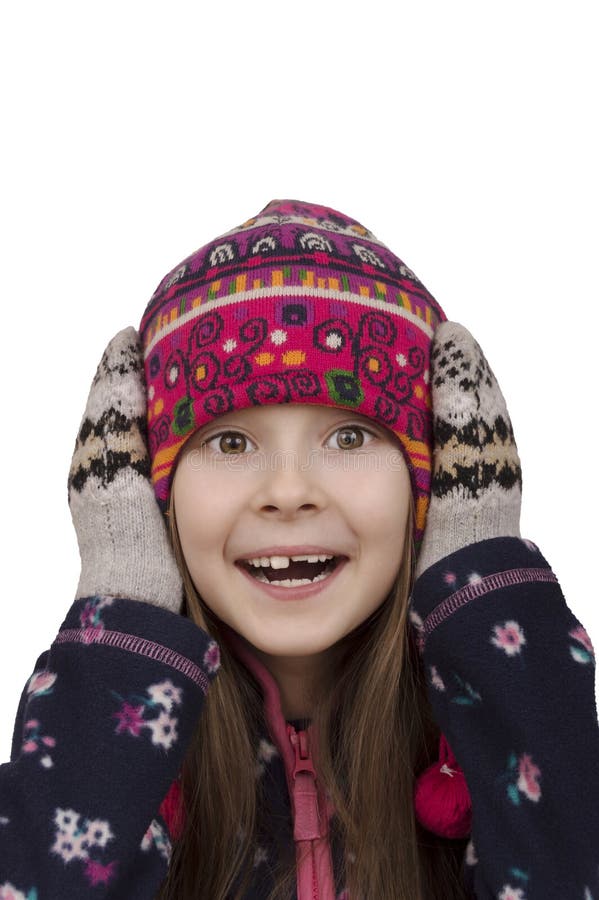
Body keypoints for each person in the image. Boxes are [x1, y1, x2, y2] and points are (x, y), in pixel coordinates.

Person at [0, 199, 597, 900]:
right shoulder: (109, 757)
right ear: (147, 495)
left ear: (431, 481)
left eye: (348, 437)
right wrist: (122, 611)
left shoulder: (492, 751)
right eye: (229, 441)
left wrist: (483, 601)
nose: (287, 492)